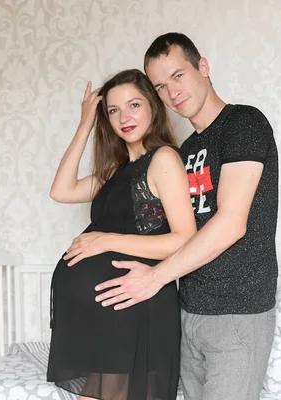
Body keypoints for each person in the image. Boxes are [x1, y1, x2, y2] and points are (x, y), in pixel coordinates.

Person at [94, 32, 279, 400]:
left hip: (236, 313)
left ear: (203, 67)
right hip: (189, 312)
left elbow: (230, 223)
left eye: (178, 76)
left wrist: (153, 279)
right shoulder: (186, 150)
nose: (172, 92)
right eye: (160, 86)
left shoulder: (243, 123)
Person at [46, 69, 196, 400]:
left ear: (154, 107)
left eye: (134, 105)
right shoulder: (115, 170)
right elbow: (61, 190)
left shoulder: (163, 159)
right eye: (113, 110)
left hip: (137, 311)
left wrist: (107, 241)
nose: (123, 117)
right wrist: (86, 123)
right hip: (110, 322)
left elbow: (185, 238)